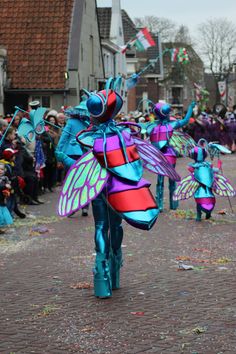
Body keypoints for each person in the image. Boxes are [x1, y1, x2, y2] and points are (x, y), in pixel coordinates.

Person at [56, 77, 179, 298]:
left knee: (101, 226)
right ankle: (115, 273)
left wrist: (68, 161)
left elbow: (76, 161)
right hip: (119, 187)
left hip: (99, 187)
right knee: (116, 226)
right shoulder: (125, 134)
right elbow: (137, 162)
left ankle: (101, 278)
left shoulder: (88, 137)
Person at [145, 101, 195, 212]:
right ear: (166, 114)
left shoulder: (151, 126)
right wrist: (190, 108)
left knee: (160, 180)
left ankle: (159, 205)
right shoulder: (171, 125)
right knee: (171, 179)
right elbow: (185, 120)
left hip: (159, 155)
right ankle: (173, 204)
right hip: (169, 154)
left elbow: (141, 128)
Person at [173, 145, 235, 221]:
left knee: (199, 200)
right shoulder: (208, 166)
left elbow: (191, 169)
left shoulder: (195, 167)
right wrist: (219, 165)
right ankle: (207, 215)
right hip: (208, 193)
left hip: (200, 192)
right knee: (204, 197)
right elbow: (216, 170)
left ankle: (199, 216)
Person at [57, 100, 91, 216]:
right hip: (84, 154)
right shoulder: (87, 124)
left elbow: (63, 138)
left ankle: (72, 207)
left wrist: (59, 151)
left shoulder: (70, 122)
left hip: (70, 153)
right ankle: (85, 206)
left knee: (71, 180)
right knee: (84, 181)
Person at [0, 162, 13, 233]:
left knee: (4, 214)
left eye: (2, 169)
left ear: (5, 170)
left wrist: (9, 190)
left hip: (2, 199)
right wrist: (5, 186)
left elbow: (8, 187)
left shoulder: (5, 178)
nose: (0, 171)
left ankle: (1, 228)